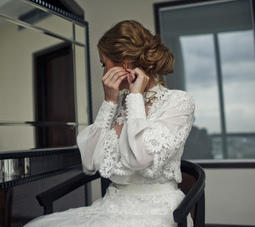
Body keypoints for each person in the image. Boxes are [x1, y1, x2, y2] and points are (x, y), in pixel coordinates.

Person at [25, 20, 195, 227]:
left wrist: (134, 97)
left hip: (156, 211)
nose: (103, 71)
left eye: (104, 63)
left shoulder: (179, 102)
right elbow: (89, 163)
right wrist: (109, 102)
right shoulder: (116, 105)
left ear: (125, 64)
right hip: (111, 206)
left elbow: (138, 159)